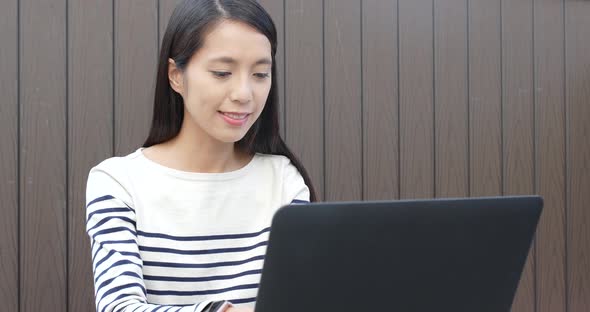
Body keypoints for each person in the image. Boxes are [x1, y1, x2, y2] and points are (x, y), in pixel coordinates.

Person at [85, 0, 317, 311]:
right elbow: (118, 307)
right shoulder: (118, 183)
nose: (244, 93)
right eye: (222, 73)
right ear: (175, 76)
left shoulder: (283, 180)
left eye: (260, 74)